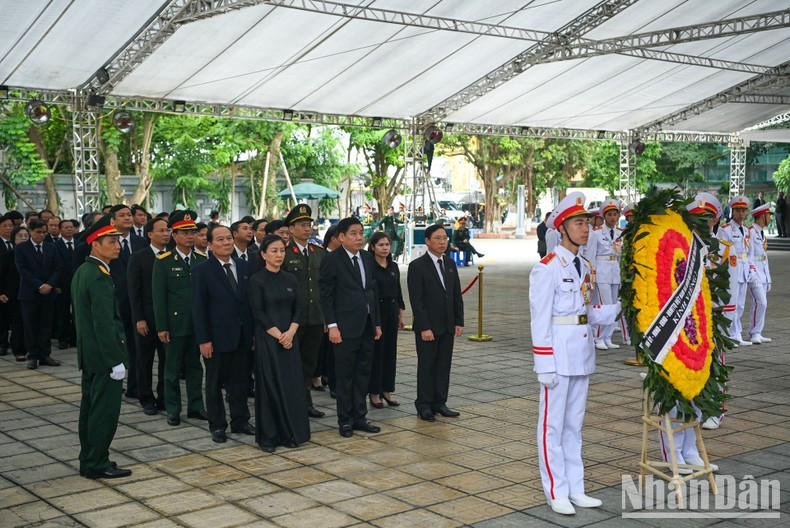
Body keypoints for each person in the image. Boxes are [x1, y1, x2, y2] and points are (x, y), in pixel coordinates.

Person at [529, 191, 620, 515]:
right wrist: (544, 365)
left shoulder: (584, 265)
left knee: (574, 427)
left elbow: (585, 312)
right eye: (579, 223)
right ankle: (556, 490)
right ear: (562, 227)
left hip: (581, 356)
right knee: (551, 427)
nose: (586, 229)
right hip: (558, 358)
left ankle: (576, 488)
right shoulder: (548, 268)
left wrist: (620, 309)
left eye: (586, 222)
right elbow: (540, 320)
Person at [71, 213, 132, 479]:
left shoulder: (85, 271)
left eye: (118, 240)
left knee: (90, 409)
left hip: (91, 355)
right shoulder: (97, 276)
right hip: (103, 357)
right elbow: (103, 323)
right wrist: (114, 359)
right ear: (95, 244)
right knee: (103, 413)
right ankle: (96, 462)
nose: (117, 245)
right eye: (111, 241)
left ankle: (90, 459)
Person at [191, 225, 255, 443]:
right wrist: (204, 339)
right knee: (214, 383)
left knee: (240, 382)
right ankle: (217, 425)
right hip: (216, 338)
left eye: (228, 238)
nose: (226, 242)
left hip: (242, 335)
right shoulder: (202, 270)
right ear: (209, 244)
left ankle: (241, 420)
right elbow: (198, 308)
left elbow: (248, 304)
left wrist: (253, 333)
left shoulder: (245, 266)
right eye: (220, 240)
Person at [319, 217, 382, 438]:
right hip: (344, 328)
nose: (358, 237)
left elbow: (371, 292)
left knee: (363, 373)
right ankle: (344, 420)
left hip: (366, 326)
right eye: (353, 233)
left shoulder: (366, 257)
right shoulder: (332, 260)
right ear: (341, 237)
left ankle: (360, 416)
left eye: (361, 232)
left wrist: (376, 323)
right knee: (345, 376)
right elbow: (326, 295)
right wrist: (333, 326)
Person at [249, 235, 310, 452]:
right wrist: (280, 336)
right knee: (270, 387)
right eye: (273, 251)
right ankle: (269, 437)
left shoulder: (290, 279)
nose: (278, 255)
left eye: (282, 251)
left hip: (289, 339)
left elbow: (298, 308)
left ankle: (289, 433)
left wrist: (291, 332)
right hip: (270, 340)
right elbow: (258, 312)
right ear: (263, 254)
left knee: (291, 386)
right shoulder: (257, 280)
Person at [152, 211, 208, 426]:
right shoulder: (164, 261)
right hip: (175, 325)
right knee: (172, 369)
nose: (190, 236)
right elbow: (159, 297)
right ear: (174, 235)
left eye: (192, 232)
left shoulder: (202, 259)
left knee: (195, 367)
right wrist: (162, 326)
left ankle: (196, 406)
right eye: (184, 232)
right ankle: (173, 408)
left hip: (198, 324)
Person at [407, 223, 463, 421]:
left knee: (443, 365)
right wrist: (424, 327)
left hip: (447, 325)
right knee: (427, 366)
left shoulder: (449, 263)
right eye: (438, 238)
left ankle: (440, 402)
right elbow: (417, 300)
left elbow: (456, 294)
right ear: (428, 241)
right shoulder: (417, 266)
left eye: (445, 238)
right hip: (428, 327)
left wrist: (459, 321)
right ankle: (424, 405)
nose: (442, 242)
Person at [283, 204, 327, 419]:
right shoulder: (284, 252)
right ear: (291, 229)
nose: (307, 228)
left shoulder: (318, 252)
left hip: (316, 317)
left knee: (309, 364)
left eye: (309, 224)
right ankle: (291, 403)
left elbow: (325, 286)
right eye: (302, 225)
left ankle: (306, 402)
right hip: (293, 320)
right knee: (291, 363)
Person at [128, 217, 170, 415]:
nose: (165, 234)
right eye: (161, 231)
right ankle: (146, 398)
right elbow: (134, 291)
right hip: (146, 318)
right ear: (150, 234)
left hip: (167, 319)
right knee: (144, 360)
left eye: (167, 230)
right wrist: (139, 319)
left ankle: (164, 397)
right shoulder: (139, 257)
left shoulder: (172, 255)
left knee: (166, 360)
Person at [107, 204, 147, 397]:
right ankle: (112, 384)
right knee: (115, 346)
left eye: (129, 215)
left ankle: (135, 387)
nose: (128, 218)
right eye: (122, 215)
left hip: (138, 303)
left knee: (137, 347)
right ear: (112, 221)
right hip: (116, 301)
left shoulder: (141, 242)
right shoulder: (105, 242)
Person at [15, 219, 62, 369]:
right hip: (30, 294)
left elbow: (57, 268)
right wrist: (40, 285)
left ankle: (45, 354)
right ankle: (33, 355)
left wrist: (49, 284)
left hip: (48, 293)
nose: (41, 235)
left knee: (46, 325)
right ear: (30, 231)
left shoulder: (51, 247)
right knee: (30, 326)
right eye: (38, 232)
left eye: (44, 232)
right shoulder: (21, 248)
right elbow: (23, 270)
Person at [367, 232, 405, 409]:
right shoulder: (369, 267)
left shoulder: (394, 266)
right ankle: (374, 392)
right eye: (380, 245)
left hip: (392, 309)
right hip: (377, 311)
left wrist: (401, 314)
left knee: (390, 351)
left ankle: (387, 390)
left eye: (387, 245)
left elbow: (398, 291)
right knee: (377, 352)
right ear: (373, 247)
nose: (384, 248)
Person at [584, 199, 623, 350]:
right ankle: (598, 337)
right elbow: (591, 255)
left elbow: (619, 256)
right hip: (601, 272)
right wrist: (590, 275)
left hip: (614, 272)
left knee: (613, 306)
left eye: (615, 214)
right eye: (610, 215)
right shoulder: (596, 233)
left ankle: (607, 336)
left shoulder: (620, 233)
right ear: (604, 216)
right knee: (604, 306)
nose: (613, 217)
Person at [717, 195, 754, 347]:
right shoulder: (725, 229)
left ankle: (736, 333)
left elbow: (750, 252)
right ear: (733, 211)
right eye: (738, 210)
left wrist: (752, 269)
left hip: (744, 269)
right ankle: (729, 333)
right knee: (730, 303)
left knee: (740, 304)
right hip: (732, 270)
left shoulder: (746, 230)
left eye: (744, 211)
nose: (741, 214)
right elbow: (722, 251)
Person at [0, 225, 28, 361]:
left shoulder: (32, 254)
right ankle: (19, 350)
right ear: (13, 239)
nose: (23, 239)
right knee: (18, 322)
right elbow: (1, 276)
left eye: (25, 236)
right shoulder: (8, 256)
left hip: (32, 292)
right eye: (19, 236)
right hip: (14, 294)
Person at [747, 203, 772, 345]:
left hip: (763, 272)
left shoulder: (761, 233)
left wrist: (768, 277)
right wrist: (753, 273)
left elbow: (764, 257)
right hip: (754, 272)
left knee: (761, 303)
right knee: (761, 302)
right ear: (763, 216)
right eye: (769, 215)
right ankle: (753, 332)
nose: (770, 218)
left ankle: (757, 331)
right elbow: (748, 255)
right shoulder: (750, 232)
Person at [54, 219, 78, 349]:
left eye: (71, 227)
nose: (69, 229)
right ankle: (62, 338)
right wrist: (56, 285)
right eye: (66, 227)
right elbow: (54, 266)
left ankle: (75, 338)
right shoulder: (55, 246)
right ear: (60, 230)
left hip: (77, 284)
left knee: (77, 312)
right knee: (62, 313)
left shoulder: (79, 244)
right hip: (62, 285)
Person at [0, 214, 15, 356]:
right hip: (2, 287)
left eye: (10, 225)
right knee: (2, 318)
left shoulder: (17, 242)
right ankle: (2, 343)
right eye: (5, 226)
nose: (8, 228)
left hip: (15, 287)